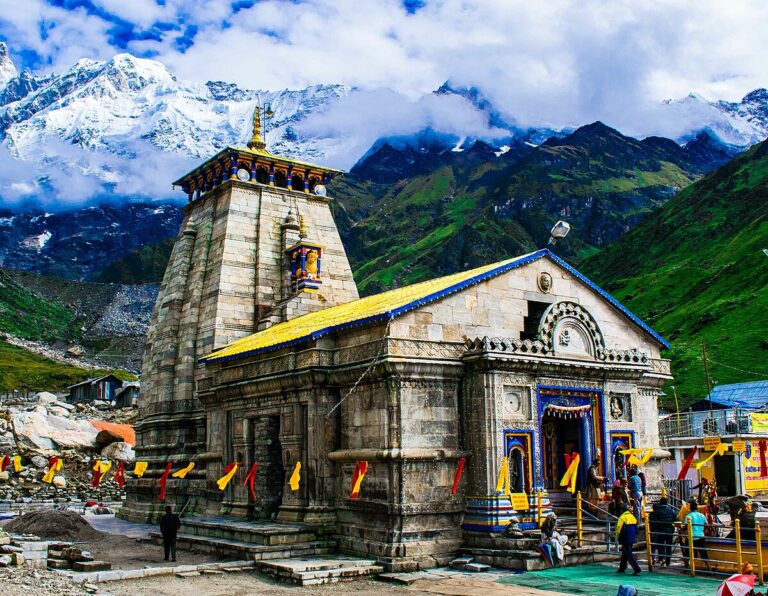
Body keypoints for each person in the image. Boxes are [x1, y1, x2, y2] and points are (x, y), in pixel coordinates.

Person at [648, 497, 677, 566]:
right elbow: (675, 518)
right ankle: (668, 561)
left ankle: (662, 558)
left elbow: (652, 520)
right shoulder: (671, 510)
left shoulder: (656, 511)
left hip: (660, 530)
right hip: (670, 530)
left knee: (661, 545)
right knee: (669, 546)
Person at [616, 502, 641, 576]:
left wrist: (617, 538)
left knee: (629, 555)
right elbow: (636, 529)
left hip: (625, 538)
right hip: (631, 538)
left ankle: (637, 569)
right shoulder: (632, 517)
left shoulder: (622, 518)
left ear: (621, 510)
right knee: (625, 553)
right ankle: (622, 568)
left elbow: (618, 529)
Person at [684, 500, 710, 569]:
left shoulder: (688, 516)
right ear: (697, 508)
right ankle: (709, 569)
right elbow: (706, 525)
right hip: (700, 536)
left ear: (690, 508)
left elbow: (685, 526)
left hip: (691, 537)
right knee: (703, 553)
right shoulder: (702, 515)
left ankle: (686, 568)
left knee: (687, 553)